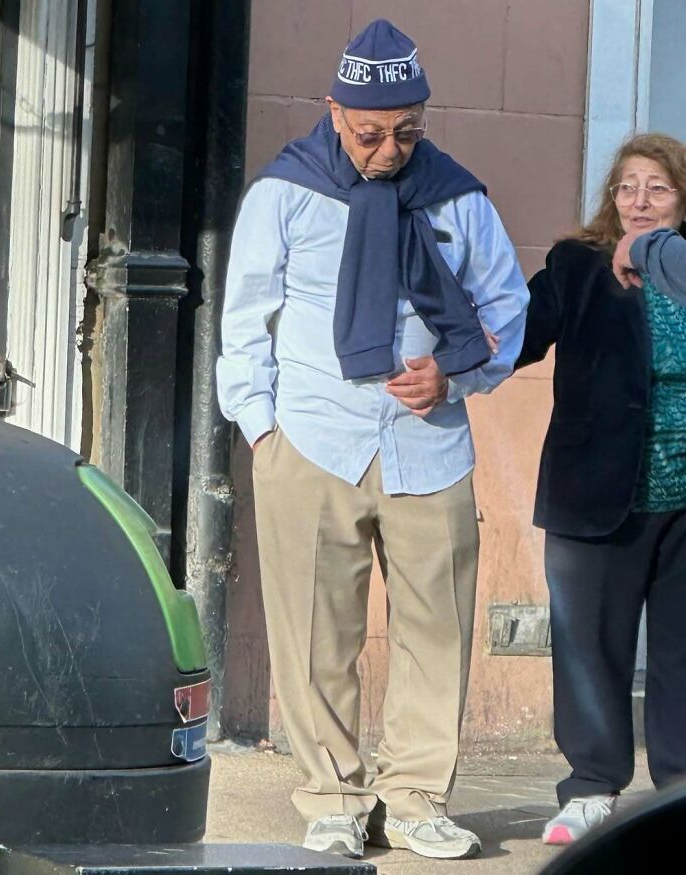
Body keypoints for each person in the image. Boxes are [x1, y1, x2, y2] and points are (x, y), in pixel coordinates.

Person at [217, 19, 528, 860]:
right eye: (370, 132)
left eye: (407, 130)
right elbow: (244, 319)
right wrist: (263, 431)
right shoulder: (286, 192)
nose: (388, 148)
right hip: (312, 440)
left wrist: (454, 380)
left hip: (428, 444)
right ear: (334, 110)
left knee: (436, 627)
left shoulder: (458, 197)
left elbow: (506, 311)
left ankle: (418, 795)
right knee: (318, 631)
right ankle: (333, 795)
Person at [517, 132, 686, 845]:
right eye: (627, 186)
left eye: (658, 187)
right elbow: (516, 334)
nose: (639, 201)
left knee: (684, 652)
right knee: (590, 645)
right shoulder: (576, 264)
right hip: (596, 490)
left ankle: (679, 789)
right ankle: (590, 787)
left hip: (682, 498)